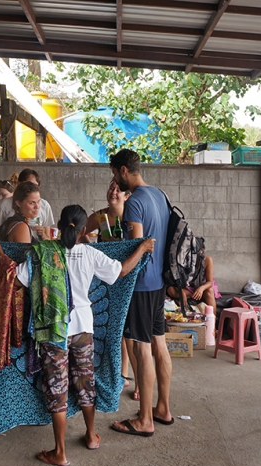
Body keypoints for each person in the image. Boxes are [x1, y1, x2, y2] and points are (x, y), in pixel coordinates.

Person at [0, 205, 155, 466]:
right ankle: (90, 435)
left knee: (57, 389)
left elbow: (15, 281)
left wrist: (1, 254)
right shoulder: (89, 253)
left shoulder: (41, 254)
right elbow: (121, 270)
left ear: (59, 227)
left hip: (54, 330)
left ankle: (60, 452)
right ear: (84, 231)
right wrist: (141, 248)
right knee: (85, 381)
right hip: (83, 327)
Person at [109, 148, 173, 437]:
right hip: (159, 282)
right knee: (159, 344)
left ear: (123, 170)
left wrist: (120, 271)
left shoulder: (135, 203)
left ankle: (145, 419)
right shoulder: (159, 194)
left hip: (141, 284)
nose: (115, 180)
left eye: (114, 173)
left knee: (140, 347)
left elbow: (137, 247)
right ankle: (163, 408)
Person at [80, 181, 138, 397]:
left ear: (126, 196)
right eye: (110, 188)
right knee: (112, 328)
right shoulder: (100, 216)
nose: (113, 192)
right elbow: (80, 233)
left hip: (127, 277)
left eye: (118, 190)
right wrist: (93, 250)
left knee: (129, 333)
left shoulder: (131, 217)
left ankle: (132, 378)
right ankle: (117, 375)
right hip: (106, 279)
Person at [0, 168, 55, 237]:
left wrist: (43, 234)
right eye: (31, 203)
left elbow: (48, 240)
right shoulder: (5, 206)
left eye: (38, 202)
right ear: (19, 204)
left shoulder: (44, 205)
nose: (37, 207)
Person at [166, 247, 219, 317]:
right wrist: (181, 292)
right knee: (170, 290)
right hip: (189, 288)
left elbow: (210, 282)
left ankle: (213, 323)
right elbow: (174, 280)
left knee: (209, 290)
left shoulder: (207, 260)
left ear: (201, 251)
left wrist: (201, 288)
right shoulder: (183, 260)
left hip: (204, 287)